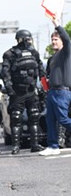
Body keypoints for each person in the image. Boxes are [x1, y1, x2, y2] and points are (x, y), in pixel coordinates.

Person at [0, 29, 46, 154]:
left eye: (29, 39)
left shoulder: (34, 53)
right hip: (17, 91)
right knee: (16, 118)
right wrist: (9, 89)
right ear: (20, 39)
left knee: (34, 115)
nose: (27, 42)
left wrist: (42, 87)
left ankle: (35, 144)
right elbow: (5, 73)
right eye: (26, 39)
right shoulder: (10, 54)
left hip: (31, 90)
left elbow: (41, 70)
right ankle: (15, 146)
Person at [40, 15, 71, 156]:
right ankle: (53, 146)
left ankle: (53, 145)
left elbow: (67, 39)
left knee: (63, 118)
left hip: (62, 92)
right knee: (50, 119)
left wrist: (57, 24)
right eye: (52, 39)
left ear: (61, 42)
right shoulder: (52, 58)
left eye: (56, 39)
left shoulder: (65, 53)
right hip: (52, 92)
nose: (53, 41)